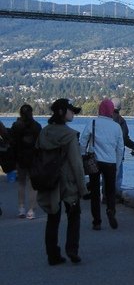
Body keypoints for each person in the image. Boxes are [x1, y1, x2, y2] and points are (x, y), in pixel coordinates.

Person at [36, 98, 88, 265]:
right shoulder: (70, 135)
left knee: (52, 218)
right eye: (71, 110)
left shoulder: (44, 133)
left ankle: (53, 255)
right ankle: (72, 250)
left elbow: (37, 156)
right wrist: (83, 188)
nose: (73, 113)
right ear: (62, 112)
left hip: (49, 181)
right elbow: (76, 164)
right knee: (74, 217)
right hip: (68, 183)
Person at [80, 98, 124, 230]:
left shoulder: (93, 122)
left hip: (94, 161)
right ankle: (111, 210)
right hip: (110, 162)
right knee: (110, 191)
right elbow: (120, 148)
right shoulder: (116, 127)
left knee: (94, 192)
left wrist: (83, 157)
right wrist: (117, 165)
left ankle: (97, 221)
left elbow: (83, 141)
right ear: (111, 111)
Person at [10, 104, 42, 219]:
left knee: (21, 183)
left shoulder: (16, 126)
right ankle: (31, 210)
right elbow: (40, 143)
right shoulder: (37, 126)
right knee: (33, 185)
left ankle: (21, 208)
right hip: (33, 157)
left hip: (20, 157)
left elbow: (12, 142)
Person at [111, 97, 134, 200]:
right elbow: (124, 138)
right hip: (118, 153)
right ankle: (115, 197)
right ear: (120, 108)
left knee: (106, 176)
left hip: (103, 153)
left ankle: (106, 197)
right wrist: (133, 145)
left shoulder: (104, 119)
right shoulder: (121, 121)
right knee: (117, 176)